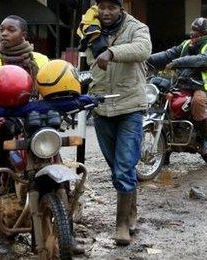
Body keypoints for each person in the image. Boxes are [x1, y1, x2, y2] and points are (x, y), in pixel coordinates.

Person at [0, 15, 49, 259]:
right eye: (1, 29)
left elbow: (54, 91)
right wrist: (2, 122)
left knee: (56, 175)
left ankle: (68, 234)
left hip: (36, 130)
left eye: (10, 29)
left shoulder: (42, 61)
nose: (3, 33)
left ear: (24, 35)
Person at [84, 0, 151, 246]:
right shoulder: (90, 29)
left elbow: (143, 50)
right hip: (102, 108)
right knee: (117, 169)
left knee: (124, 166)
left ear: (121, 9)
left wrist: (111, 52)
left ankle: (121, 224)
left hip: (130, 106)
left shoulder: (137, 27)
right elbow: (87, 64)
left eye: (112, 7)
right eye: (102, 6)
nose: (106, 12)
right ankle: (131, 210)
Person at [146, 17, 207, 156]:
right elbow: (168, 54)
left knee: (198, 102)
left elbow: (202, 59)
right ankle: (166, 148)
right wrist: (146, 58)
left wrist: (178, 62)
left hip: (204, 86)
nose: (193, 35)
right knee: (163, 98)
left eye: (198, 33)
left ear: (206, 35)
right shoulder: (186, 44)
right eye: (192, 31)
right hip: (184, 84)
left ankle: (205, 138)